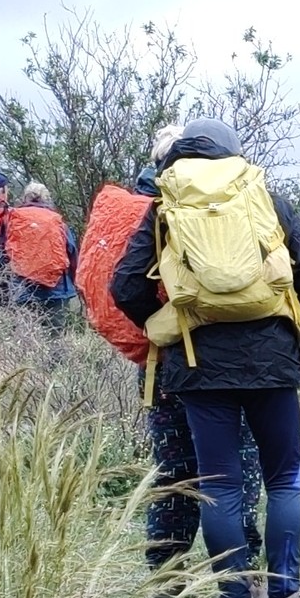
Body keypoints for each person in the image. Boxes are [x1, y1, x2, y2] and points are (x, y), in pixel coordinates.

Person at [107, 117, 300, 598]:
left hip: (196, 362)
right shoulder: (262, 197)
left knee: (218, 485)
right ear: (231, 155)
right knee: (284, 481)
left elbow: (125, 286)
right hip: (273, 362)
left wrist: (172, 324)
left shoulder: (164, 206)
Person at [78, 150, 202, 573]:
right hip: (205, 359)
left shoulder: (124, 211)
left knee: (172, 471)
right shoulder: (185, 208)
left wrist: (153, 330)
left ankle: (165, 575)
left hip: (154, 365)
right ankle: (240, 582)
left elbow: (121, 288)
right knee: (230, 469)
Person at [1, 181, 79, 318]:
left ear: (25, 198)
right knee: (55, 334)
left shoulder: (13, 219)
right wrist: (74, 283)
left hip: (22, 289)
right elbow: (71, 253)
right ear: (47, 199)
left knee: (26, 335)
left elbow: (4, 250)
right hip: (57, 289)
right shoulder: (57, 221)